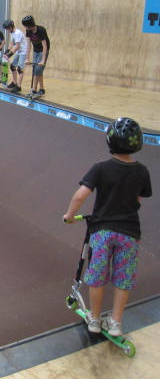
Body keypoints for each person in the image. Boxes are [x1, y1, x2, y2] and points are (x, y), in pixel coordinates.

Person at [63, 117, 152, 337]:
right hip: (130, 233)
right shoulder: (142, 171)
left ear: (109, 141)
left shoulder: (101, 168)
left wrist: (70, 215)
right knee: (123, 278)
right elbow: (138, 200)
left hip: (102, 232)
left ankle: (94, 318)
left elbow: (81, 194)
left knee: (97, 276)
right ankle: (116, 323)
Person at [22, 15, 50, 97]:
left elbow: (45, 46)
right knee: (37, 70)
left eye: (25, 26)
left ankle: (33, 90)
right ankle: (42, 89)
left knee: (38, 70)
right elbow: (29, 45)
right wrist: (27, 58)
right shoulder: (28, 31)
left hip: (43, 51)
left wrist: (43, 60)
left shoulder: (41, 30)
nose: (25, 27)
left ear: (28, 25)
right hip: (36, 50)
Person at [2, 19, 28, 92]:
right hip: (19, 51)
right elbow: (11, 43)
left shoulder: (17, 33)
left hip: (23, 52)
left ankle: (19, 86)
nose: (6, 30)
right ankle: (14, 82)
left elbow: (17, 46)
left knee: (19, 68)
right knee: (12, 66)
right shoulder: (12, 32)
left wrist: (9, 55)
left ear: (11, 26)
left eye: (7, 28)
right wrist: (6, 52)